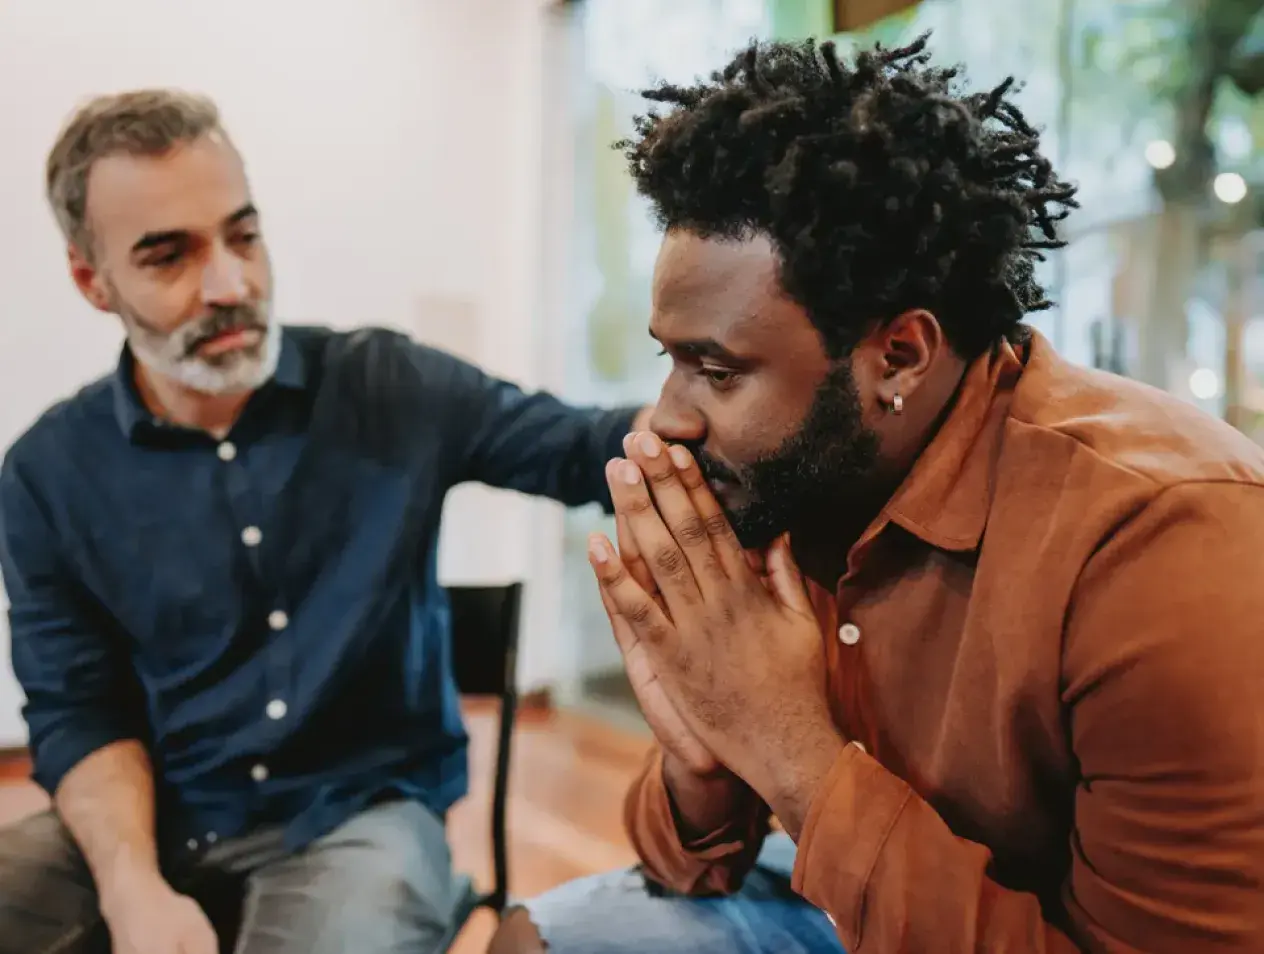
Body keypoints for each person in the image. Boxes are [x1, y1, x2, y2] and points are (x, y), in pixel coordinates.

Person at [489, 33, 1264, 954]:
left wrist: (783, 747)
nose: (662, 422)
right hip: (852, 888)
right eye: (670, 359)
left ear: (898, 355)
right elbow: (684, 869)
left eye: (716, 369)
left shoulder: (1168, 538)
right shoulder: (791, 483)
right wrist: (701, 764)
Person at [0, 89, 648, 954]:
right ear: (92, 280)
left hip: (362, 816)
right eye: (169, 257)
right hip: (158, 813)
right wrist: (132, 888)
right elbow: (77, 709)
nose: (231, 285)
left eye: (243, 235)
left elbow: (589, 449)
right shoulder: (48, 473)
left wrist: (743, 387)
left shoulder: (386, 385)